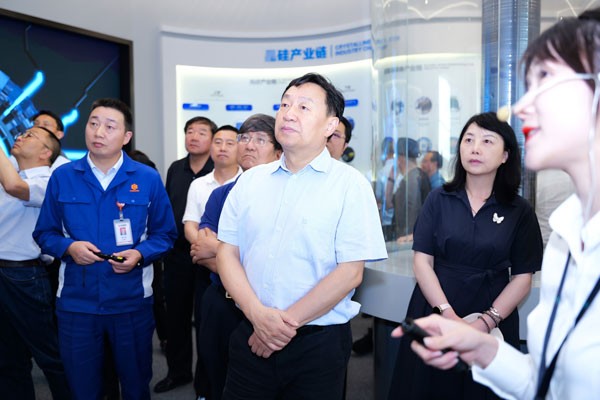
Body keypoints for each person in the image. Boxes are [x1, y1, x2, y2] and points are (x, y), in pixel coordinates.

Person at [394, 9, 600, 400]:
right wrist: (480, 344)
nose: (522, 107)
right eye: (469, 139)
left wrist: (487, 322)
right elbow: (547, 381)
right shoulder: (567, 236)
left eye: (547, 80)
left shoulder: (524, 213)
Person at [216, 72, 387, 399]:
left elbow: (350, 272)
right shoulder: (250, 181)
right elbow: (227, 252)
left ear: (330, 125)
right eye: (285, 105)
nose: (289, 114)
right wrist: (257, 316)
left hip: (317, 345)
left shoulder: (350, 186)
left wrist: (279, 327)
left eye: (304, 107)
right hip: (250, 332)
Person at [387, 112, 544, 399]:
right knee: (428, 387)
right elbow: (422, 261)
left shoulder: (519, 210)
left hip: (492, 311)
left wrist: (485, 322)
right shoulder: (439, 198)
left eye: (487, 141)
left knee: (482, 390)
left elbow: (522, 277)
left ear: (505, 155)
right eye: (468, 140)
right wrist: (447, 314)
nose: (475, 148)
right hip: (436, 305)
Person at [32, 98, 178, 400]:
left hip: (130, 302)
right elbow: (44, 233)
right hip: (77, 303)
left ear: (126, 137)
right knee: (82, 388)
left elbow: (165, 234)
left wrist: (140, 254)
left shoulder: (147, 178)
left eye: (110, 127)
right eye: (93, 123)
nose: (98, 132)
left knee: (135, 386)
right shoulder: (63, 176)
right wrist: (69, 247)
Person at [191, 113, 282, 400]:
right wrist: (233, 255)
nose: (249, 145)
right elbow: (201, 251)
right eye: (244, 137)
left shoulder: (287, 196)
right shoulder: (222, 195)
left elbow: (279, 258)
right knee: (217, 376)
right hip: (222, 301)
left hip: (269, 307)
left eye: (260, 139)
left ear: (279, 152)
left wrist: (221, 251)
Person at [0, 126, 70, 400]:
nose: (19, 137)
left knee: (50, 357)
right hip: (5, 275)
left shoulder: (49, 180)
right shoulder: (10, 174)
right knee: (8, 359)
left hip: (24, 277)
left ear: (46, 152)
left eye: (30, 135)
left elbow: (15, 187)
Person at [155, 116, 216, 394]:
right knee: (176, 317)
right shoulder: (175, 168)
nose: (194, 136)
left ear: (212, 139)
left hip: (208, 257)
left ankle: (206, 379)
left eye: (201, 132)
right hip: (178, 254)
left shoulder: (219, 168)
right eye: (190, 131)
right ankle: (178, 372)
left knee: (205, 319)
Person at [182, 124, 242, 399]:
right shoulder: (202, 186)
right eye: (218, 142)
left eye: (230, 142)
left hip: (242, 283)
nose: (223, 148)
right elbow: (192, 226)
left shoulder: (246, 185)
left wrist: (214, 250)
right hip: (209, 275)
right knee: (209, 340)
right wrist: (202, 247)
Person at [386, 137, 431, 242]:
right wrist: (391, 177)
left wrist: (409, 238)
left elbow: (413, 212)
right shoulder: (414, 177)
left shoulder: (412, 180)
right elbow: (389, 204)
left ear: (401, 158)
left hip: (408, 241)